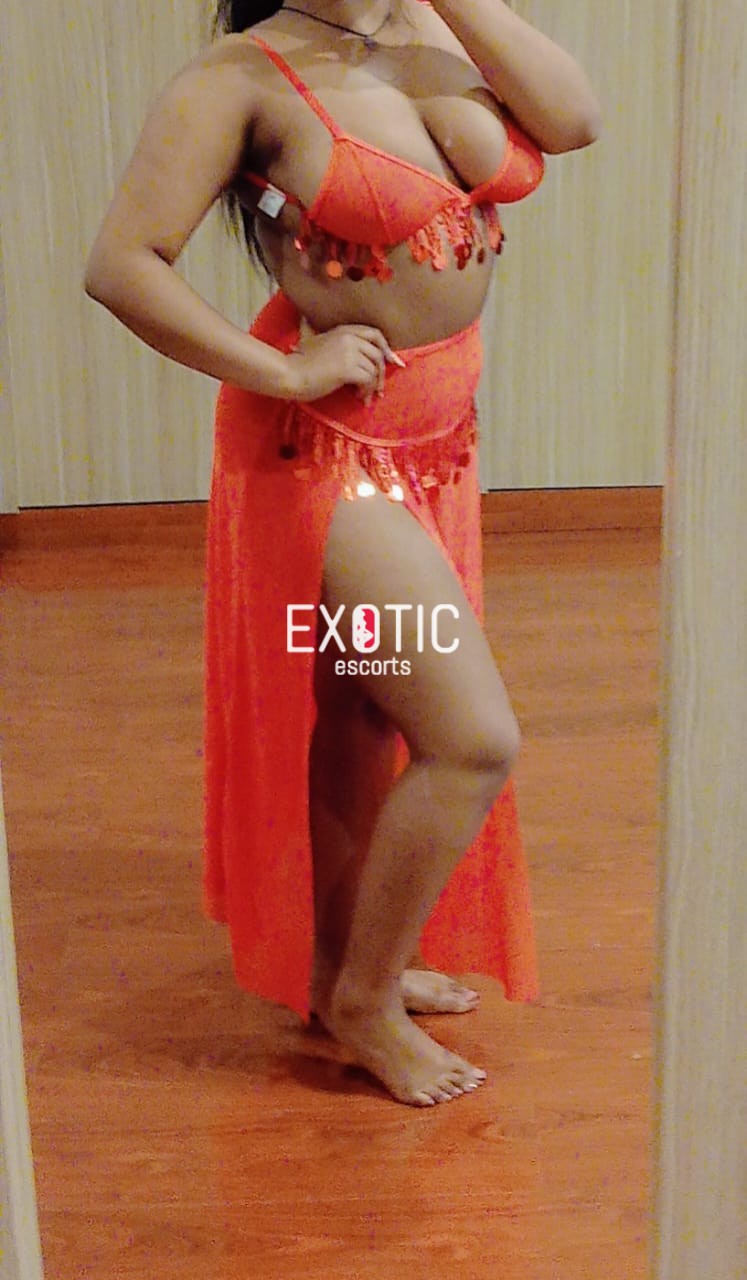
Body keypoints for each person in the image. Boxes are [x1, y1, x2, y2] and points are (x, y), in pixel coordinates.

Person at [85, 0, 600, 1107]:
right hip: (321, 455)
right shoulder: (239, 77)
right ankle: (365, 1003)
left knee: (362, 716)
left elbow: (571, 119)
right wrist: (282, 370)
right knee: (470, 739)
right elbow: (123, 263)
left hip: (437, 442)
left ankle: (339, 970)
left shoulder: (433, 26)